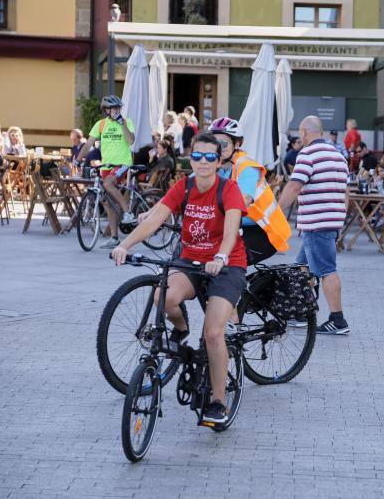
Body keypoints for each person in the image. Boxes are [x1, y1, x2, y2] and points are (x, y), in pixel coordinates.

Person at [112, 133, 246, 424]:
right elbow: (155, 219)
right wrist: (125, 245)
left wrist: (221, 257)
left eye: (210, 157)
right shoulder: (183, 187)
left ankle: (218, 402)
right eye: (197, 156)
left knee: (212, 334)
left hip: (227, 265)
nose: (203, 163)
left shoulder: (229, 189)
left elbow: (231, 231)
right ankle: (181, 330)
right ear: (190, 158)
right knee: (163, 296)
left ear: (219, 160)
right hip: (190, 260)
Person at [279, 116, 349, 335]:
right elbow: (346, 192)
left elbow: (294, 187)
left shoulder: (307, 154)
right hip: (330, 221)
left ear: (304, 132)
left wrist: (275, 213)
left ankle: (338, 320)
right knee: (302, 268)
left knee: (327, 270)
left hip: (316, 223)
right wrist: (340, 220)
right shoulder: (338, 156)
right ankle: (301, 313)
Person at [209, 116, 290, 268]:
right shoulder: (217, 165)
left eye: (223, 144)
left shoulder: (247, 167)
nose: (218, 148)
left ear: (237, 144)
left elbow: (243, 200)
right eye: (214, 143)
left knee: (226, 264)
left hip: (264, 232)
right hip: (241, 226)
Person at [77, 95, 137, 248]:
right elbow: (88, 144)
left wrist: (122, 123)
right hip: (106, 166)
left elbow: (131, 140)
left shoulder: (127, 122)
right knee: (107, 202)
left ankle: (127, 213)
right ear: (107, 110)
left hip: (122, 163)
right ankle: (115, 238)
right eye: (113, 108)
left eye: (118, 108)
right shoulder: (101, 124)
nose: (116, 111)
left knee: (108, 184)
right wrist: (78, 159)